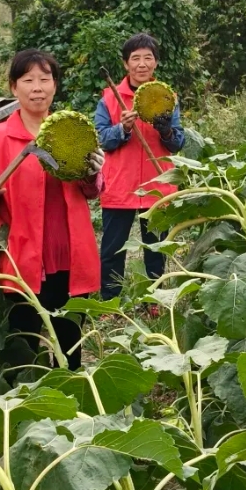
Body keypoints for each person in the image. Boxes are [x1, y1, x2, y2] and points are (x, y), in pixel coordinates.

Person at [0, 49, 104, 371]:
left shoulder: (71, 132)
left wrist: (93, 171)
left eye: (45, 79)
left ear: (55, 86)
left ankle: (71, 404)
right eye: (28, 80)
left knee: (70, 344)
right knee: (23, 346)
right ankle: (24, 409)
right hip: (21, 259)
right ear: (14, 87)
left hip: (68, 256)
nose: (37, 87)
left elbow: (92, 191)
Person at [95, 33, 185, 301]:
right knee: (113, 249)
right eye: (136, 58)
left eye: (148, 58)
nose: (142, 64)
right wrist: (121, 128)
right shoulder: (109, 99)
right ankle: (111, 301)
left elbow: (177, 143)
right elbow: (101, 139)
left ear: (156, 63)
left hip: (157, 185)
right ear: (126, 64)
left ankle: (155, 301)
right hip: (119, 185)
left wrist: (166, 129)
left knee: (156, 249)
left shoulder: (167, 97)